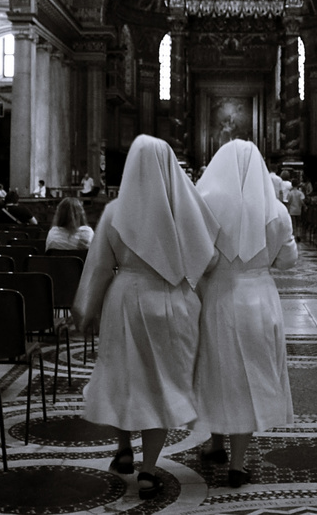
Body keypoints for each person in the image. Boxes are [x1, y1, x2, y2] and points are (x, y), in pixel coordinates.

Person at [72, 135, 219, 500]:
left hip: (124, 299)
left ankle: (123, 449)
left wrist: (86, 309)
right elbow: (209, 259)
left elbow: (99, 267)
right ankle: (149, 471)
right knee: (161, 385)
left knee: (121, 377)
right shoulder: (184, 210)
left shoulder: (114, 211)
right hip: (171, 302)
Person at [194, 140, 298, 488]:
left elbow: (200, 258)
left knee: (217, 370)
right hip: (260, 298)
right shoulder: (276, 210)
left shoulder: (206, 205)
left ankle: (216, 444)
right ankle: (237, 465)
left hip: (218, 296)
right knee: (250, 377)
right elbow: (288, 261)